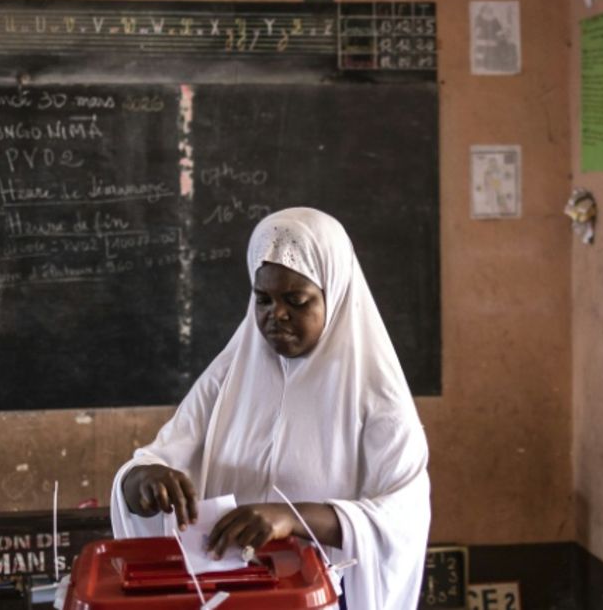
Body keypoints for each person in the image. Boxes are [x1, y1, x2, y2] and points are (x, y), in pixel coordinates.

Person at [110, 207, 431, 610]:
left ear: (334, 294)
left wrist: (291, 518)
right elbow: (156, 461)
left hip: (320, 597)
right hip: (225, 594)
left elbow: (400, 517)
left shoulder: (376, 395)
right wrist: (143, 479)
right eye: (262, 299)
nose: (275, 314)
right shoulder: (229, 374)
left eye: (296, 300)